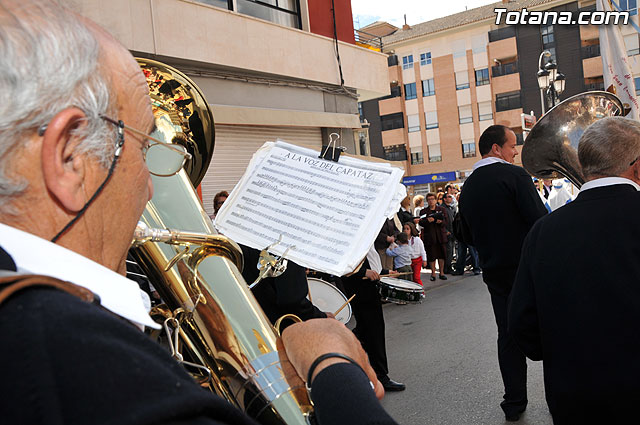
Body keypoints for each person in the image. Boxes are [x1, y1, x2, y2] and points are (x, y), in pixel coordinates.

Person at [0, 2, 396, 424]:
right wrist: (330, 366)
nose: (152, 185)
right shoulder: (97, 378)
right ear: (70, 157)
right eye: (143, 147)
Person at [508, 117, 640, 424]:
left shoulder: (543, 231)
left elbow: (521, 322)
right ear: (636, 167)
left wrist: (565, 352)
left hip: (574, 395)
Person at [458, 124, 547, 421]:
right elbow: (540, 221)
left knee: (507, 335)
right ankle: (562, 395)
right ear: (496, 148)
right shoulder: (515, 175)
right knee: (551, 328)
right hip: (529, 269)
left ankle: (514, 402)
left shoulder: (467, 186)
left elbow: (464, 234)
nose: (515, 152)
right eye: (512, 146)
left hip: (495, 272)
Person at [339, 245, 406, 392]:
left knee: (365, 330)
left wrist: (385, 272)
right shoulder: (354, 233)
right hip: (360, 288)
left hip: (368, 287)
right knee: (374, 330)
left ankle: (352, 365)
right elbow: (341, 261)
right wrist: (363, 272)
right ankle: (380, 376)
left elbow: (371, 261)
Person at [419, 193, 448, 282]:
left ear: (436, 200)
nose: (431, 201)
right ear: (427, 201)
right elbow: (421, 223)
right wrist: (427, 221)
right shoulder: (423, 211)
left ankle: (442, 273)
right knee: (431, 255)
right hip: (430, 237)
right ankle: (433, 273)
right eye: (429, 199)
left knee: (441, 255)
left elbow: (446, 221)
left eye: (432, 199)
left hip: (440, 236)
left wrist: (439, 221)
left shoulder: (441, 210)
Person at [441, 193, 456, 274]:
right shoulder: (442, 208)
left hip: (452, 233)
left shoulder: (451, 208)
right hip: (446, 234)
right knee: (447, 251)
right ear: (444, 199)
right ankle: (446, 268)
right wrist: (446, 231)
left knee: (450, 252)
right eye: (449, 197)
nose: (450, 198)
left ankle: (449, 267)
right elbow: (441, 221)